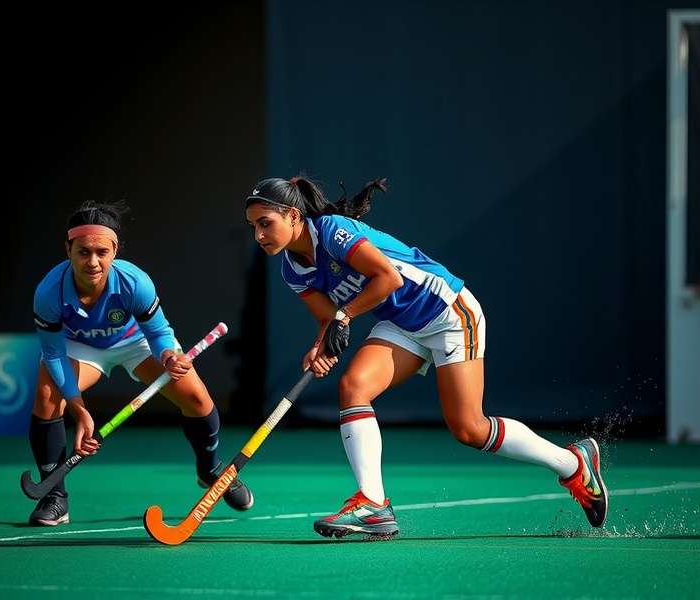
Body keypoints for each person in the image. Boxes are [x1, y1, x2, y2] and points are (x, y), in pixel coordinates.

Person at [245, 176, 608, 539]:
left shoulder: (331, 230)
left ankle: (572, 463)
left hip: (448, 311)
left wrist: (345, 316)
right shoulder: (292, 269)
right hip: (401, 324)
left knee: (469, 429)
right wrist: (319, 347)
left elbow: (388, 278)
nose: (259, 235)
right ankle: (373, 503)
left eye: (266, 223)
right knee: (354, 386)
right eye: (253, 227)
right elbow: (328, 317)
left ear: (293, 216)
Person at [28, 200, 253, 526]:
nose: (93, 262)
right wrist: (78, 408)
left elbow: (159, 332)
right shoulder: (48, 293)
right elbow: (53, 354)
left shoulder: (135, 282)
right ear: (68, 250)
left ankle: (210, 469)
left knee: (196, 397)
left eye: (102, 252)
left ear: (115, 250)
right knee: (48, 393)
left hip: (135, 342)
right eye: (83, 252)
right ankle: (54, 497)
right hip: (80, 347)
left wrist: (168, 356)